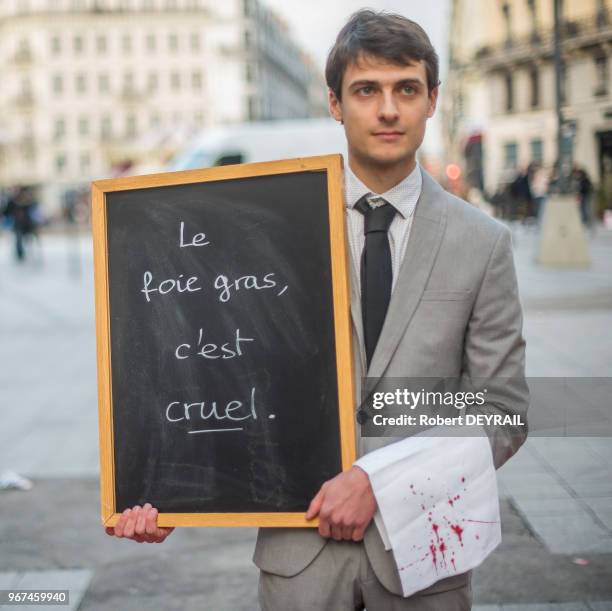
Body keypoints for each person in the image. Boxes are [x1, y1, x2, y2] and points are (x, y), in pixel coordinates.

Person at [106, 10, 528, 610]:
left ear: (432, 100)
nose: (388, 110)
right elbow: (222, 370)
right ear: (335, 103)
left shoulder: (482, 243)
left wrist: (381, 486)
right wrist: (170, 488)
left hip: (422, 562)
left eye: (406, 89)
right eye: (366, 91)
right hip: (297, 561)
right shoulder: (262, 230)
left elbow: (501, 409)